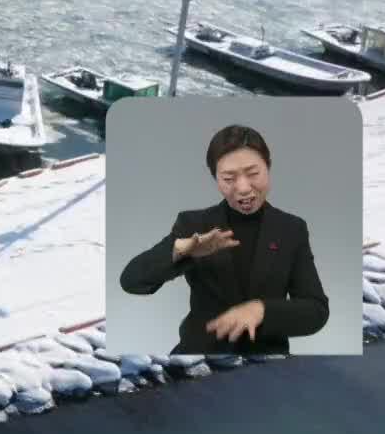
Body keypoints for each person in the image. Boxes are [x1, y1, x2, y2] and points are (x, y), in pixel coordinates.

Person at [118, 123, 328, 354]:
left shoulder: (291, 229)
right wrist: (182, 249)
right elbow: (132, 281)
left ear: (268, 168)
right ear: (215, 179)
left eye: (253, 174)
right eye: (229, 178)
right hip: (199, 362)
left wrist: (261, 311)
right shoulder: (195, 224)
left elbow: (316, 310)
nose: (243, 188)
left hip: (266, 367)